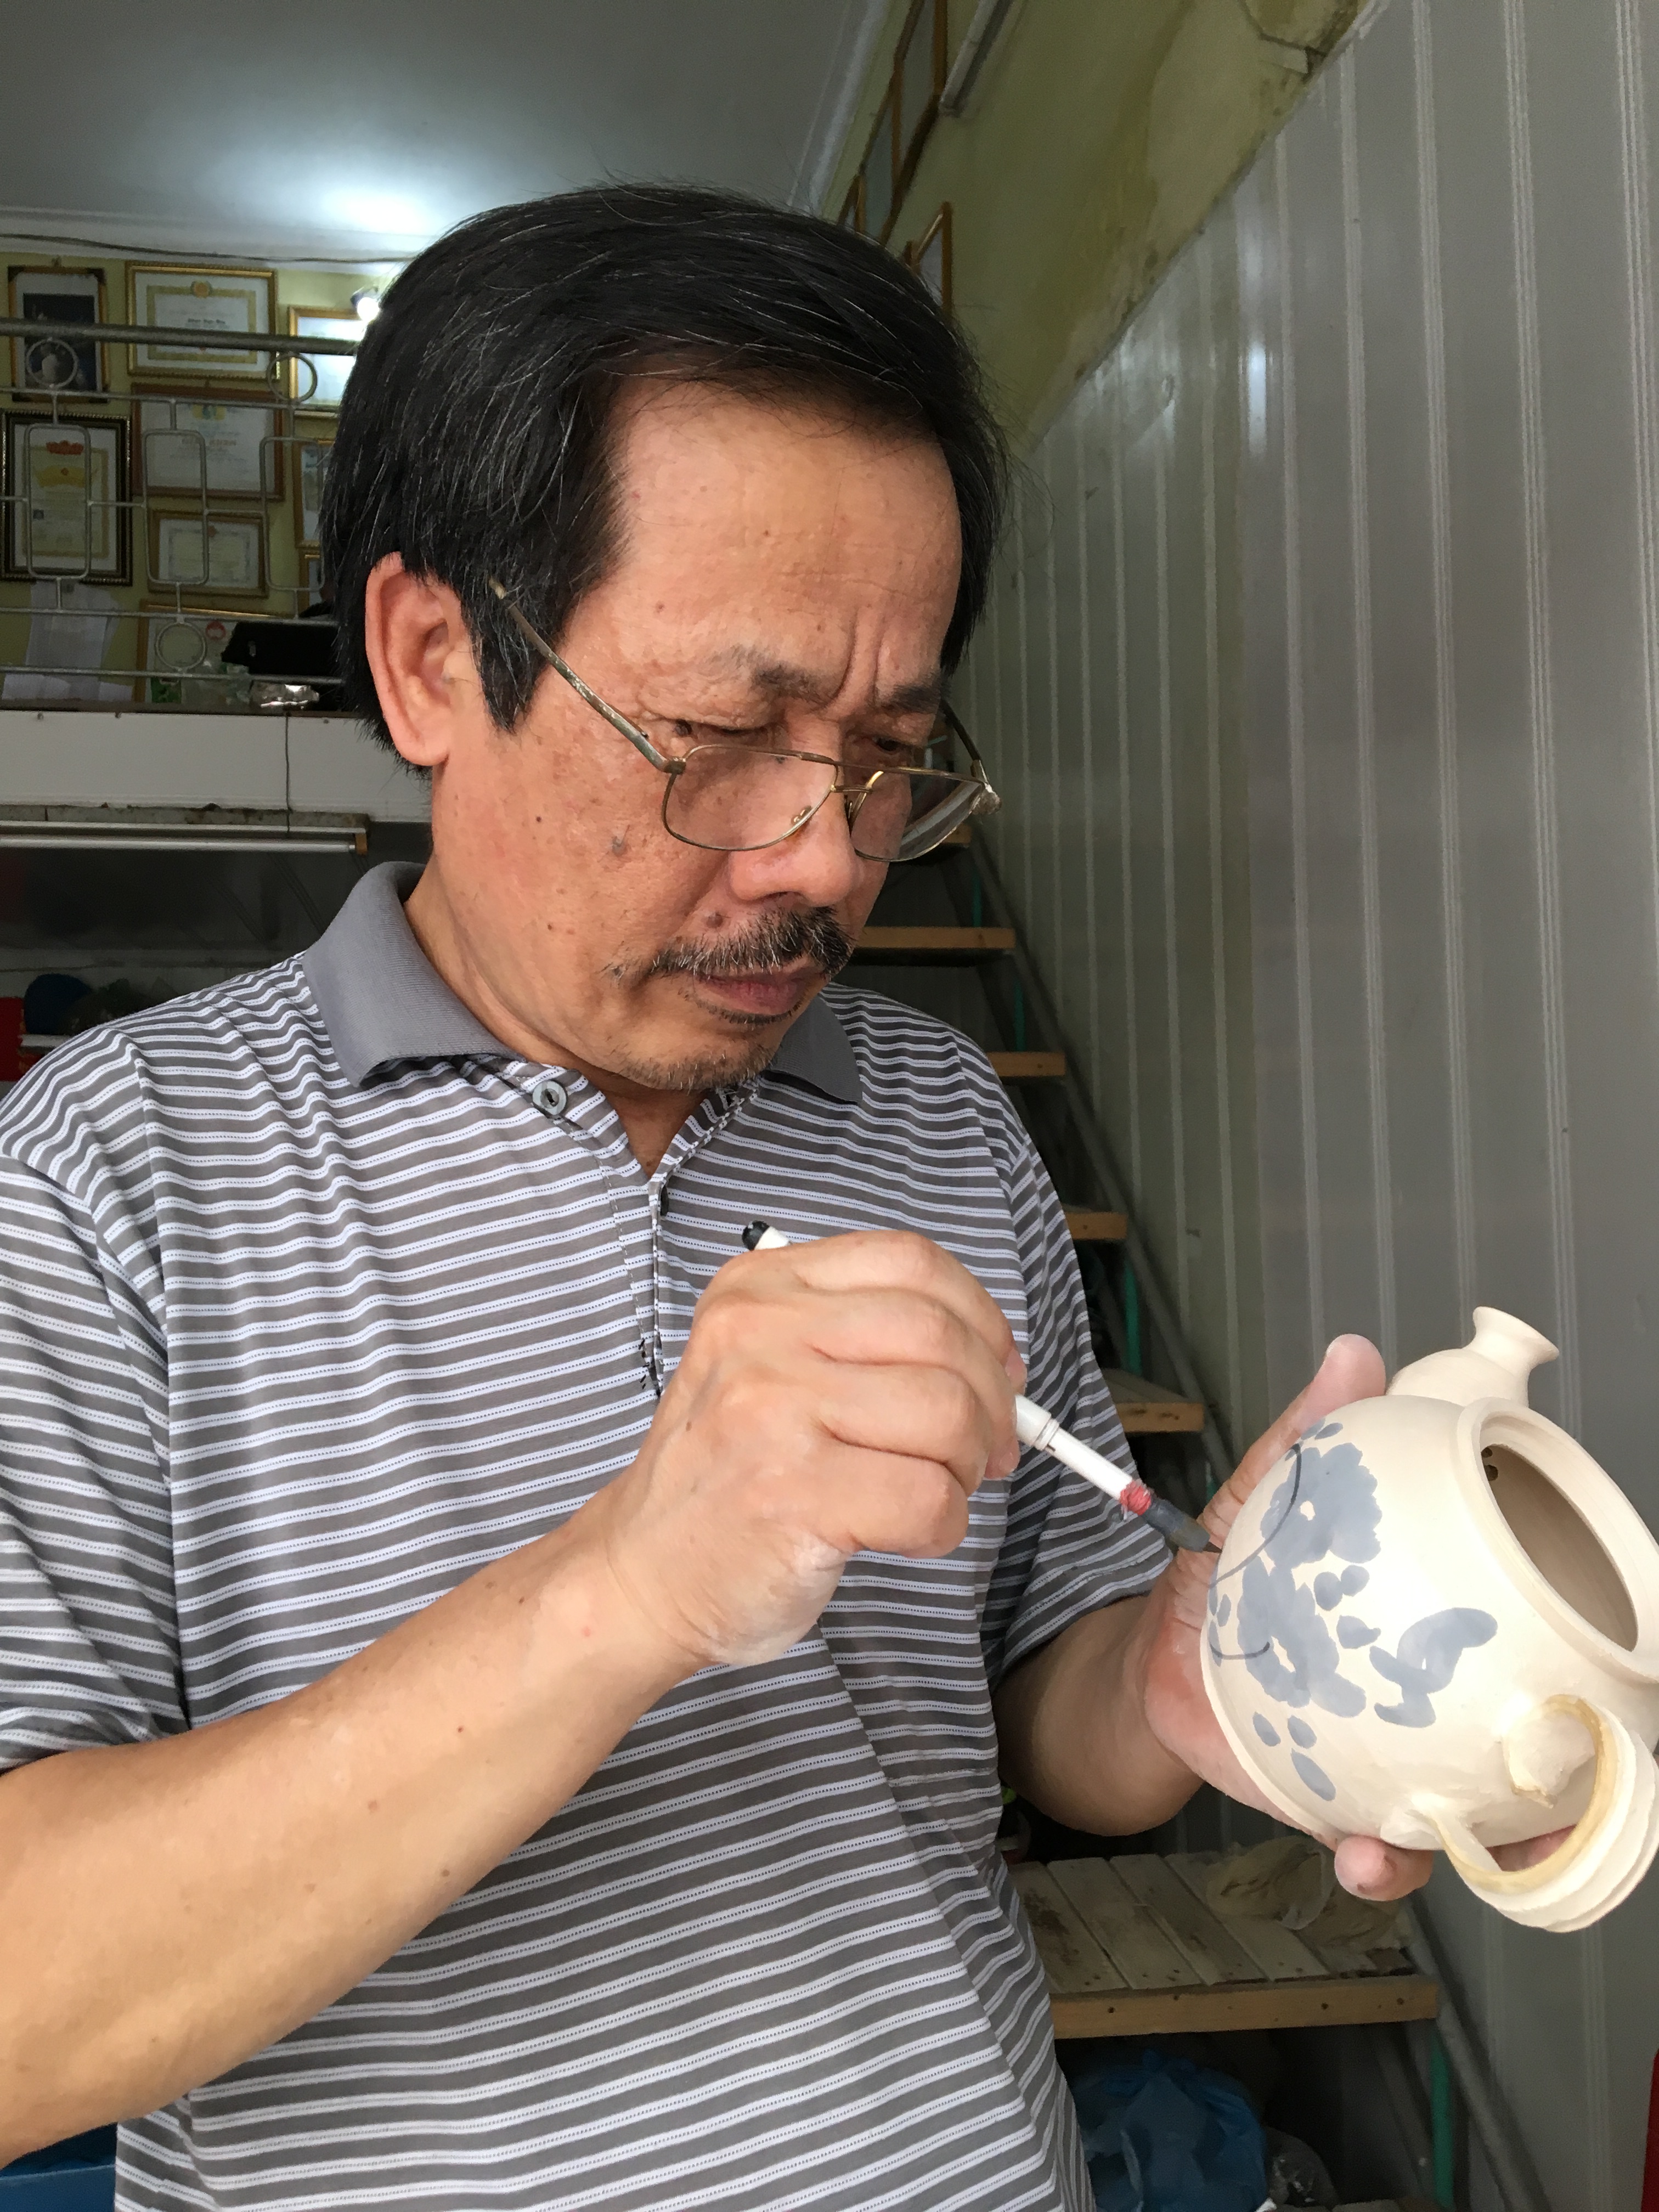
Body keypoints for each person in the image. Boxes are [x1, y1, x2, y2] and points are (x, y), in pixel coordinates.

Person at [0, 186, 1429, 2212]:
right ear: (429, 660)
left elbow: (1041, 1708)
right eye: (724, 737)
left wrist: (1177, 1681)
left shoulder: (938, 1114)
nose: (826, 859)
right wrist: (628, 1585)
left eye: (888, 755)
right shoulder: (111, 1175)